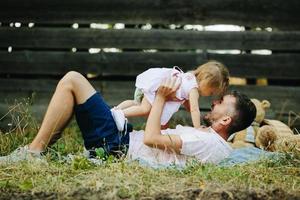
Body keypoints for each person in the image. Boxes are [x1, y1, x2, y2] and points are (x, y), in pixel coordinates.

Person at [0, 71, 256, 166]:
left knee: (72, 80)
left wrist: (159, 98)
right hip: (121, 139)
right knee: (76, 85)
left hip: (116, 145)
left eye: (221, 103)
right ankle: (37, 150)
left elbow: (153, 138)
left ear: (225, 122)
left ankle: (33, 153)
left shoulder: (209, 143)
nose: (213, 101)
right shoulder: (210, 139)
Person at [111, 61, 229, 131]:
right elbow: (194, 109)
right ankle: (120, 114)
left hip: (151, 83)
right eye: (212, 91)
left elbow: (188, 104)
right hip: (156, 88)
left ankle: (116, 109)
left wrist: (187, 106)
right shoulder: (193, 89)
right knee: (144, 109)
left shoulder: (189, 76)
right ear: (206, 80)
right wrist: (197, 128)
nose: (210, 95)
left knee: (136, 103)